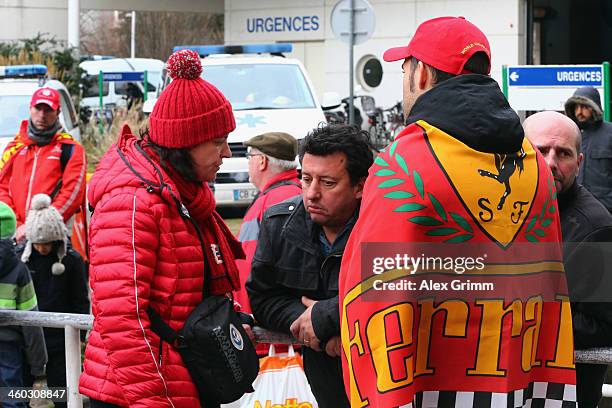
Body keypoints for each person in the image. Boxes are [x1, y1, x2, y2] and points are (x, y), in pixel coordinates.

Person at [339, 16, 576, 407]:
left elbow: (372, 297)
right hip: (515, 384)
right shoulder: (534, 166)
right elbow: (550, 288)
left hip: (428, 389)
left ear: (421, 75)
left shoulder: (401, 166)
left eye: (404, 68)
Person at [78, 49, 245, 407]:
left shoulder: (182, 196)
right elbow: (123, 321)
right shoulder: (134, 203)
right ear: (184, 143)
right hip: (139, 395)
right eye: (217, 142)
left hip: (178, 383)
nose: (227, 153)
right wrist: (157, 400)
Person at [247, 124, 373, 408]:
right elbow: (263, 297)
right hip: (321, 382)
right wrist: (311, 326)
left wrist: (325, 316)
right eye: (305, 179)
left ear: (360, 186)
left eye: (327, 183)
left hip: (383, 377)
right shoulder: (279, 224)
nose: (312, 194)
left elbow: (399, 290)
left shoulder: (383, 227)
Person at [524, 111, 612, 408]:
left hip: (567, 392)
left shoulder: (595, 227)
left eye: (563, 153)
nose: (550, 163)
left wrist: (522, 313)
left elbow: (603, 325)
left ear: (579, 163)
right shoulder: (509, 208)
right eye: (539, 151)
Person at [17, 193, 89, 408]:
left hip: (61, 336)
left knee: (61, 387)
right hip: (28, 335)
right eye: (38, 244)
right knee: (19, 387)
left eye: (47, 243)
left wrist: (81, 334)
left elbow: (80, 299)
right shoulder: (22, 260)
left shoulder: (71, 261)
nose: (42, 248)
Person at [0, 87, 87, 254]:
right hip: (15, 237)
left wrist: (37, 226)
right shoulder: (15, 148)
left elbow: (72, 194)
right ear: (30, 109)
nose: (42, 115)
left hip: (53, 239)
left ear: (58, 112)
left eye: (48, 110)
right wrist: (17, 226)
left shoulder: (70, 149)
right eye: (38, 108)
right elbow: (2, 188)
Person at [234, 132, 301, 313]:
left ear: (262, 161)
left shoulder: (279, 199)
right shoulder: (284, 195)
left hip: (265, 321)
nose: (249, 162)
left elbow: (260, 266)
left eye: (250, 156)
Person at [0, 202, 47, 408]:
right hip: (10, 346)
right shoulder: (19, 269)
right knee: (13, 396)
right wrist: (39, 365)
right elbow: (31, 320)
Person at [564, 86, 612, 212]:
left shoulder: (610, 133)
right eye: (576, 107)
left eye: (584, 107)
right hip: (574, 208)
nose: (579, 111)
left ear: (594, 108)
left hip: (605, 209)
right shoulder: (570, 135)